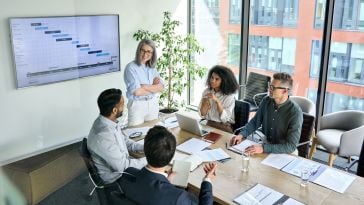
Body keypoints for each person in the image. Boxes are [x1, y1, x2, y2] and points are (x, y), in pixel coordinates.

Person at [120, 126, 217, 205]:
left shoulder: (127, 174)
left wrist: (166, 182)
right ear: (171, 156)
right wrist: (207, 180)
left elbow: (150, 192)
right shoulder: (179, 197)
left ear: (144, 149)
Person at [230, 72, 303, 154]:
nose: (269, 89)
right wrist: (241, 135)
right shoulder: (266, 100)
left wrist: (264, 148)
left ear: (285, 91)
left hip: (285, 150)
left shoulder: (295, 112)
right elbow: (255, 122)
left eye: (273, 87)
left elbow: (291, 146)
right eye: (269, 86)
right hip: (266, 144)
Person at [87, 88, 147, 184]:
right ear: (114, 110)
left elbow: (124, 141)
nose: (125, 107)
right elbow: (123, 167)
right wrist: (151, 159)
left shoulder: (107, 122)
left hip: (123, 167)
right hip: (117, 179)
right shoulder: (103, 136)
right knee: (158, 176)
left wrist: (145, 148)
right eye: (123, 104)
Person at [124, 39, 164, 126]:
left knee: (153, 134)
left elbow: (161, 87)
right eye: (143, 50)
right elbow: (137, 92)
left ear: (152, 53)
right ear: (139, 50)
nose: (145, 54)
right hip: (137, 105)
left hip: (153, 103)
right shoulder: (130, 67)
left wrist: (144, 86)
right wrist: (153, 88)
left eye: (149, 51)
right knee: (136, 135)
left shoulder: (152, 68)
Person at [199, 65, 239, 133]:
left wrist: (217, 101)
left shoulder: (229, 96)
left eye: (217, 79)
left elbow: (225, 119)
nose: (212, 81)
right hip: (209, 124)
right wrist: (204, 102)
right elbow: (202, 114)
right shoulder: (207, 91)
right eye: (212, 77)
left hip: (224, 127)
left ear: (224, 81)